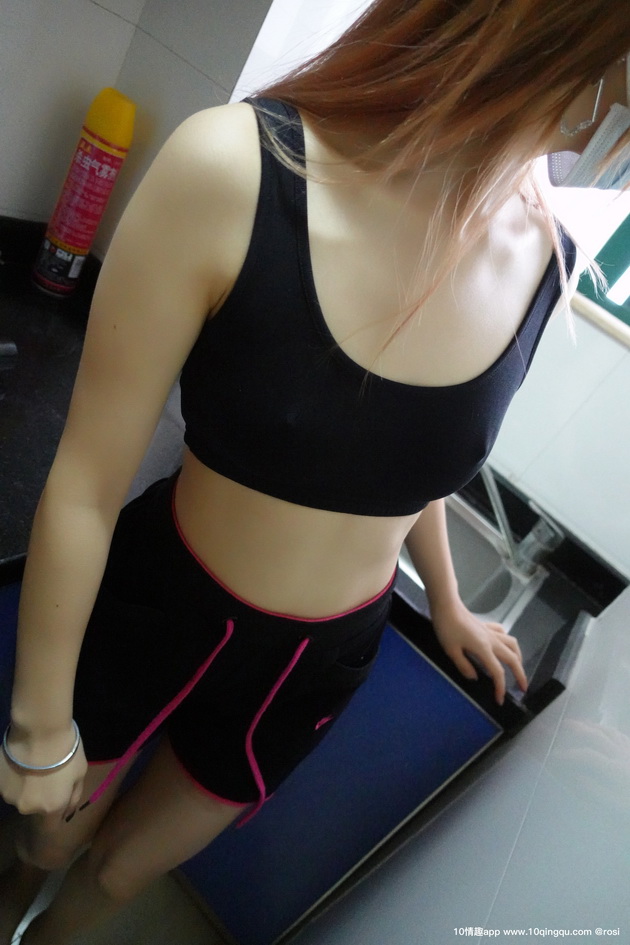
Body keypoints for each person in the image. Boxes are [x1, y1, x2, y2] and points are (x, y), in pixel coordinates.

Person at [1, 0, 629, 941]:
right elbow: (86, 484)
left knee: (121, 871)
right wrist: (37, 726)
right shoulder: (235, 170)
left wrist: (448, 600)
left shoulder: (546, 253)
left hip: (321, 659)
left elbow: (410, 461)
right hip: (167, 598)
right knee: (44, 841)